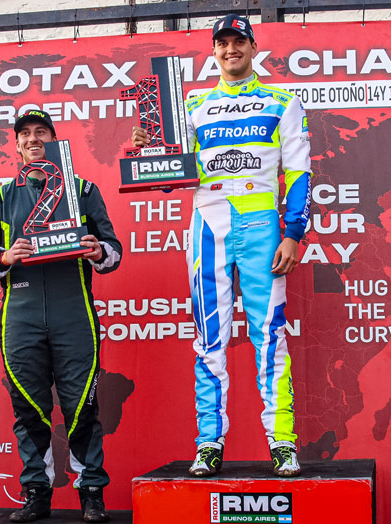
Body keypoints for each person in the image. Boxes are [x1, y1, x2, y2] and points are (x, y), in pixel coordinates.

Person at [132, 14, 312, 477]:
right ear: (213, 51)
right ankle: (209, 442)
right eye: (222, 43)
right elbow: (170, 178)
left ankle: (283, 441)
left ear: (254, 47)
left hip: (262, 225)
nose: (231, 49)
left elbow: (297, 173)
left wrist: (293, 233)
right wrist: (150, 150)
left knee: (269, 333)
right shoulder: (193, 105)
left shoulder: (283, 101)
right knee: (210, 338)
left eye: (239, 41)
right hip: (208, 226)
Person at [0, 109, 121, 523]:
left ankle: (91, 492)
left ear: (53, 141)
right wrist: (4, 256)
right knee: (28, 409)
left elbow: (113, 252)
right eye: (25, 134)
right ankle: (36, 491)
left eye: (41, 132)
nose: (33, 139)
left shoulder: (83, 190)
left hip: (75, 314)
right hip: (21, 316)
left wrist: (98, 251)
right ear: (17, 145)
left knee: (82, 406)